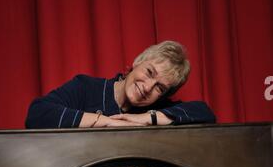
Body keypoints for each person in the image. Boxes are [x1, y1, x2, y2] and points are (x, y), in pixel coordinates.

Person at [25, 41, 215, 129]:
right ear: (137, 62)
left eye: (160, 88)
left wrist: (146, 119)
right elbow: (37, 114)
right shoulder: (85, 88)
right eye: (149, 72)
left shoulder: (157, 109)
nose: (148, 87)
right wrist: (107, 122)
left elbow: (205, 114)